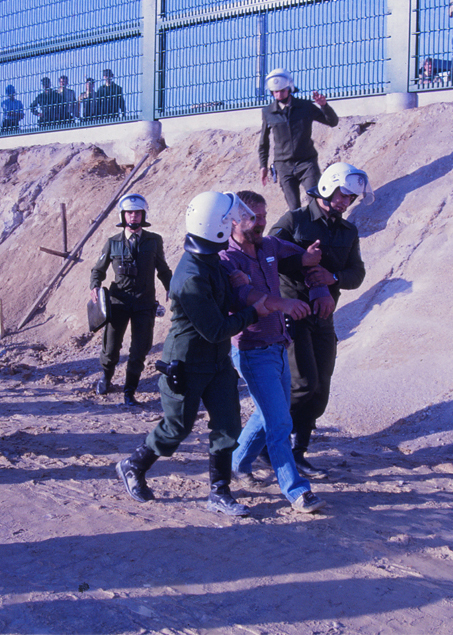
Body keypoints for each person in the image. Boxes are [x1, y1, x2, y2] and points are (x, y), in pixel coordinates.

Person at [116, 191, 269, 517]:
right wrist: (254, 311)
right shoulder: (191, 276)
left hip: (216, 360)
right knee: (176, 428)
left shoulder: (211, 260)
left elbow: (222, 306)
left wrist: (237, 283)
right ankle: (134, 464)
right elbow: (215, 328)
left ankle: (219, 492)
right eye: (228, 221)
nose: (233, 224)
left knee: (228, 426)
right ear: (215, 227)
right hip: (185, 363)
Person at [220, 190, 331, 513]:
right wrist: (284, 303)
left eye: (264, 215)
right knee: (280, 421)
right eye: (254, 217)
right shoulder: (227, 259)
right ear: (234, 220)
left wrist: (315, 272)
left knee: (266, 413)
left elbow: (305, 262)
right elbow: (247, 295)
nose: (261, 222)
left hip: (279, 345)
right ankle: (296, 490)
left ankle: (237, 463)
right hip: (252, 350)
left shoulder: (269, 245)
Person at [268, 162, 374, 477]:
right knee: (302, 384)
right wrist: (301, 260)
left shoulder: (348, 231)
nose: (345, 202)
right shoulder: (294, 221)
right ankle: (266, 445)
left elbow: (357, 274)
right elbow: (266, 258)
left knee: (321, 389)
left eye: (351, 199)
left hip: (324, 316)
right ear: (328, 187)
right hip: (293, 314)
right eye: (343, 195)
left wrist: (333, 276)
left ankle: (298, 453)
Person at [90, 193, 172, 405]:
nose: (133, 217)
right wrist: (95, 287)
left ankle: (129, 390)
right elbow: (98, 270)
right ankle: (106, 378)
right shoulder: (112, 243)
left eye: (137, 213)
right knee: (111, 347)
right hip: (118, 302)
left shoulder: (154, 241)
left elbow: (162, 268)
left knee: (139, 349)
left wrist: (171, 288)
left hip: (144, 303)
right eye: (129, 213)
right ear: (123, 215)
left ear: (143, 214)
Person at [258, 68, 339, 212]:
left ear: (290, 88)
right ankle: (300, 234)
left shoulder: (305, 106)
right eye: (274, 92)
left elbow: (332, 122)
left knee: (316, 201)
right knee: (294, 208)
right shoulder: (267, 112)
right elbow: (264, 142)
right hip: (283, 166)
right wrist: (263, 165)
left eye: (282, 90)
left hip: (307, 163)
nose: (278, 94)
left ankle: (322, 232)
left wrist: (324, 106)